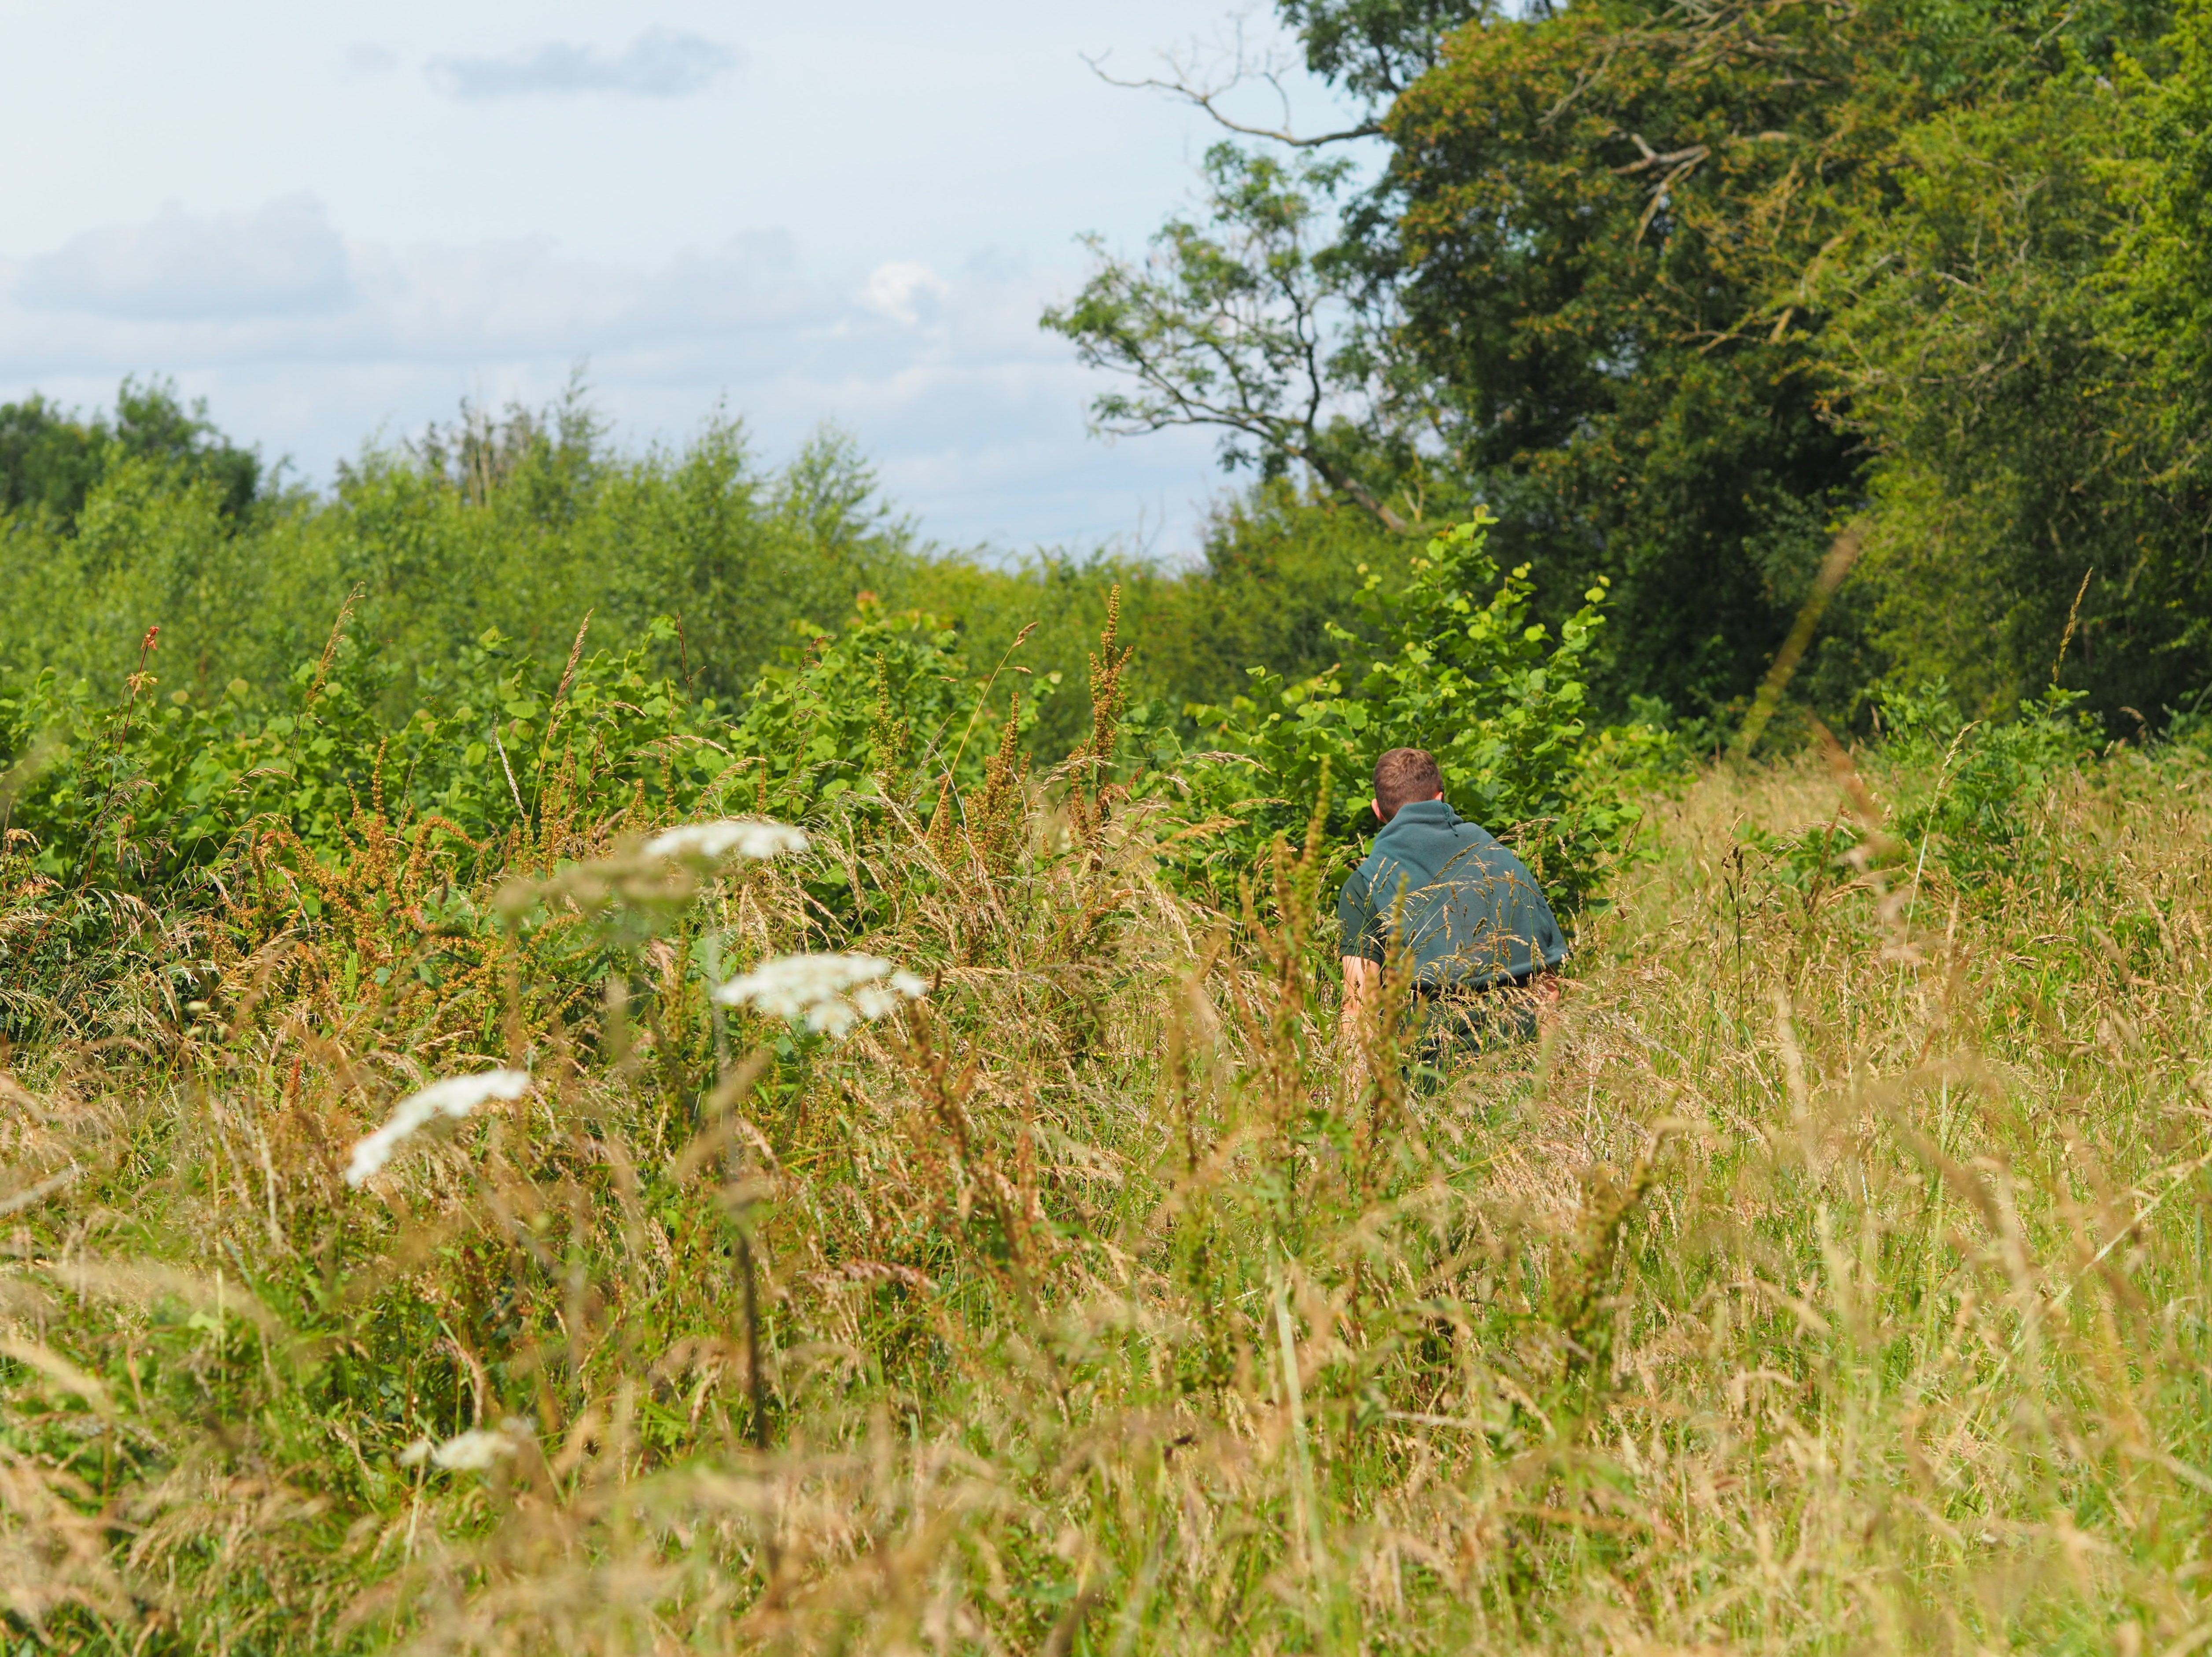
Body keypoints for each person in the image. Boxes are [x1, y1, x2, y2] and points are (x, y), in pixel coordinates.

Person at [1337, 747, 1568, 1076]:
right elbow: (1548, 988)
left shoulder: (1366, 884)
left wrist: (1357, 1117)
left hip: (1426, 1089)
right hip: (1521, 1077)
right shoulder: (1504, 861)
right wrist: (1550, 1089)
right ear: (1441, 797)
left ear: (1378, 811)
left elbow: (1357, 1009)